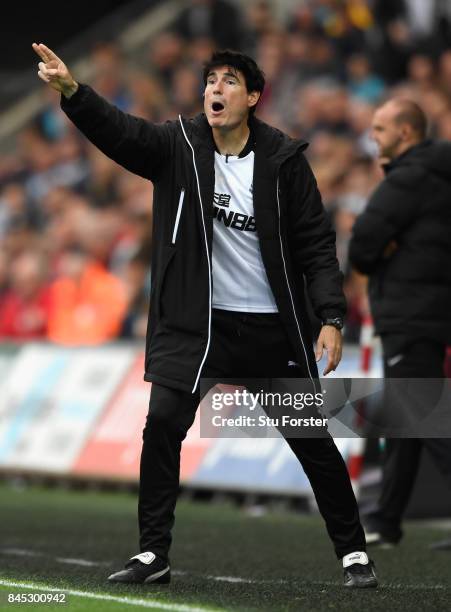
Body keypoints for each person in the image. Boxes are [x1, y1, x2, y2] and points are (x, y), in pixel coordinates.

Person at [33, 42, 377, 588]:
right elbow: (122, 132)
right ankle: (153, 554)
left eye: (230, 81)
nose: (215, 89)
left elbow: (316, 244)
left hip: (270, 329)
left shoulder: (285, 161)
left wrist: (330, 318)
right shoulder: (178, 146)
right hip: (198, 328)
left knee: (312, 438)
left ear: (254, 97)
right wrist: (74, 93)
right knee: (162, 425)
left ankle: (354, 553)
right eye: (211, 80)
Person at [349, 99, 451, 546]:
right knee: (406, 420)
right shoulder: (440, 177)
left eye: (380, 129)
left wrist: (385, 252)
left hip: (410, 311)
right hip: (432, 310)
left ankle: (387, 518)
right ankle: (387, 518)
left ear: (406, 133)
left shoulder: (409, 179)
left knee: (423, 414)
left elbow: (362, 246)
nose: (373, 138)